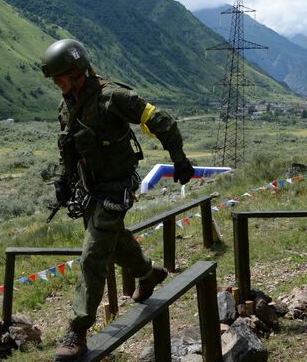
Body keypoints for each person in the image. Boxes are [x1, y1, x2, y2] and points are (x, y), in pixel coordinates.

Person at [41, 39, 194, 361]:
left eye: (61, 77)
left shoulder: (114, 98)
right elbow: (67, 147)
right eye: (54, 79)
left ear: (77, 70)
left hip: (117, 186)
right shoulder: (67, 104)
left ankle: (78, 328)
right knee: (113, 240)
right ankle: (148, 273)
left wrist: (179, 159)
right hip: (89, 187)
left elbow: (161, 120)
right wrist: (63, 181)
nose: (57, 83)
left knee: (93, 254)